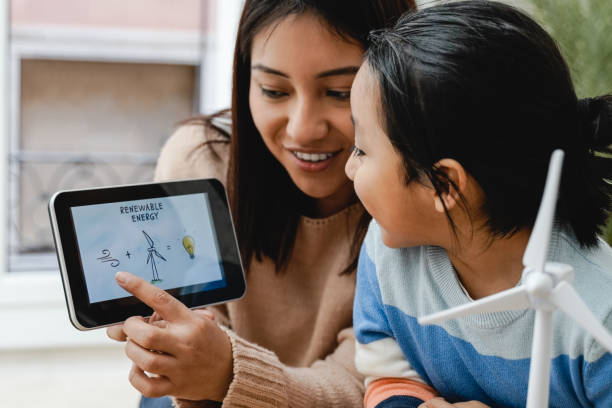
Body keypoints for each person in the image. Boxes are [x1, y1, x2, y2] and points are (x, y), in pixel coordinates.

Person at [106, 1, 417, 407]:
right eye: (274, 90)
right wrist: (179, 350)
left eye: (340, 92)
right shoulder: (202, 161)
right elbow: (196, 341)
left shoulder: (424, 191)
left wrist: (229, 372)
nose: (303, 128)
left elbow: (369, 384)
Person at [345, 1, 612, 407]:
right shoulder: (386, 258)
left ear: (445, 184)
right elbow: (387, 374)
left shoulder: (599, 318)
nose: (349, 167)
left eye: (362, 150)